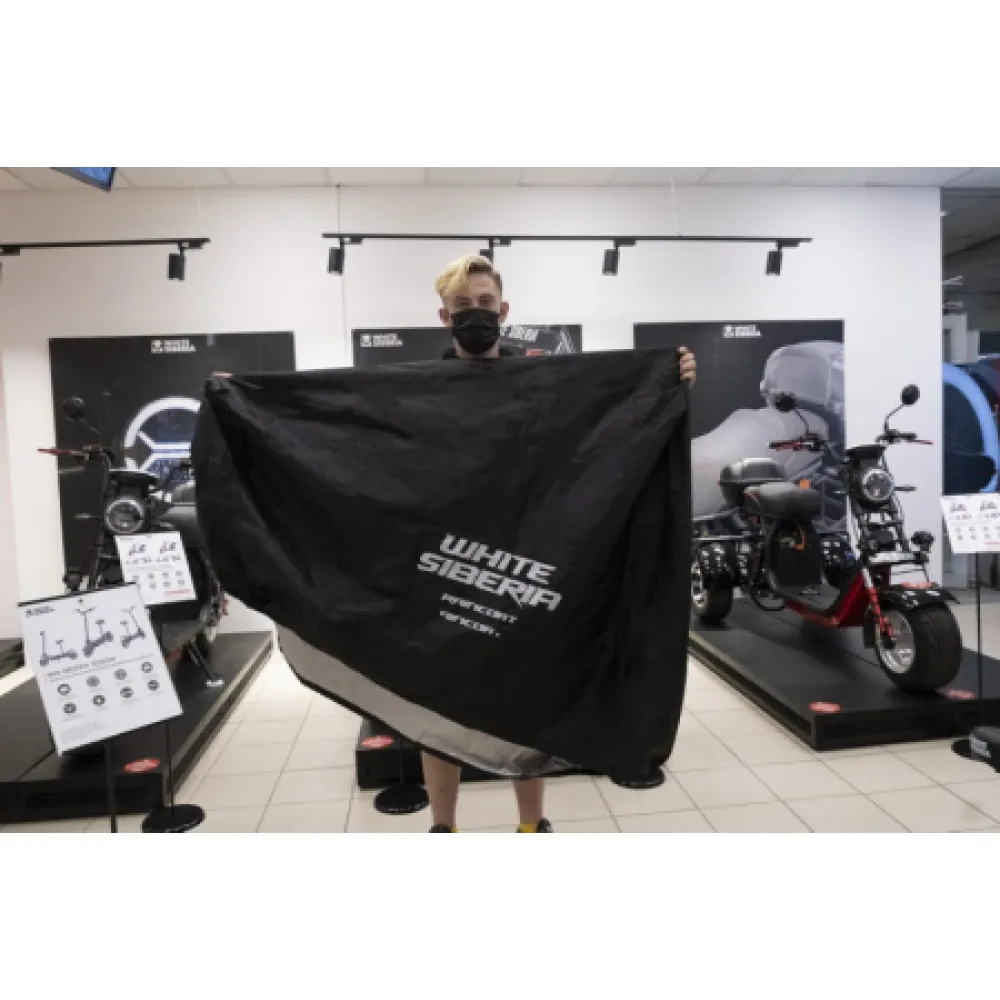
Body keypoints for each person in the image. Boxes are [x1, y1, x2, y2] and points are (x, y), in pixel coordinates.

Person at [427, 254, 696, 833]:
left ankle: (532, 827)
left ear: (504, 309)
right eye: (462, 305)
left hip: (526, 561)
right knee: (434, 708)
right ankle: (442, 829)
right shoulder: (418, 390)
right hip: (447, 564)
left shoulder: (544, 383)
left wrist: (669, 378)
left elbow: (603, 427)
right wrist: (240, 400)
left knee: (527, 701)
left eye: (484, 302)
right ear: (444, 315)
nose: (475, 312)